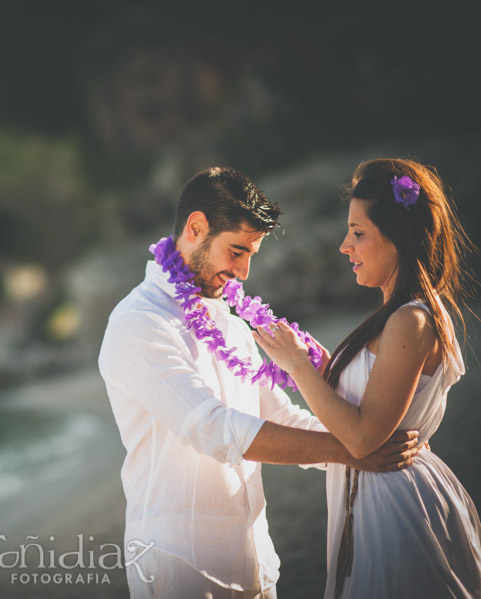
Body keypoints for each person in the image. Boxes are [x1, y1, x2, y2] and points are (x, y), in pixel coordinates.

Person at [98, 166, 421, 599]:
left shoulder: (231, 324)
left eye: (251, 254)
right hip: (180, 566)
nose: (244, 272)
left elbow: (279, 415)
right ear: (195, 228)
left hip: (255, 563)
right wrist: (351, 452)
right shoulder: (139, 322)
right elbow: (212, 428)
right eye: (236, 251)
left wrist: (363, 441)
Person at [253, 158, 481, 598]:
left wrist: (298, 367)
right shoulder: (398, 316)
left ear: (399, 239)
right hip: (375, 496)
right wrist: (329, 370)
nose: (345, 246)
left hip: (395, 506)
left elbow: (363, 438)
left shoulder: (411, 319)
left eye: (359, 234)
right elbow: (371, 408)